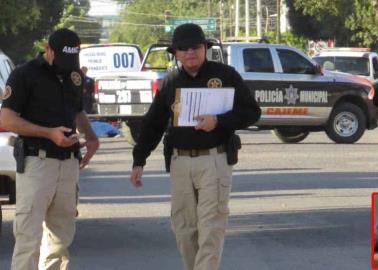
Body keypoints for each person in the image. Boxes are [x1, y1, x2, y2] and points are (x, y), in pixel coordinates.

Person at [130, 23, 261, 270]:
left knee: (211, 228)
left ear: (205, 48)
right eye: (183, 48)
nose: (190, 52)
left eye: (196, 47)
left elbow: (252, 112)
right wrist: (139, 160)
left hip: (215, 160)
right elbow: (153, 124)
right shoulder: (170, 82)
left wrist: (219, 121)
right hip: (180, 162)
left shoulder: (226, 75)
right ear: (175, 53)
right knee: (184, 230)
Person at [0, 28, 99, 270]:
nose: (67, 66)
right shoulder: (24, 75)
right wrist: (49, 133)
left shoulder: (74, 75)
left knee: (60, 239)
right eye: (63, 58)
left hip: (68, 163)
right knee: (28, 237)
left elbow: (77, 111)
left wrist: (92, 136)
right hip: (37, 162)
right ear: (48, 49)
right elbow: (7, 120)